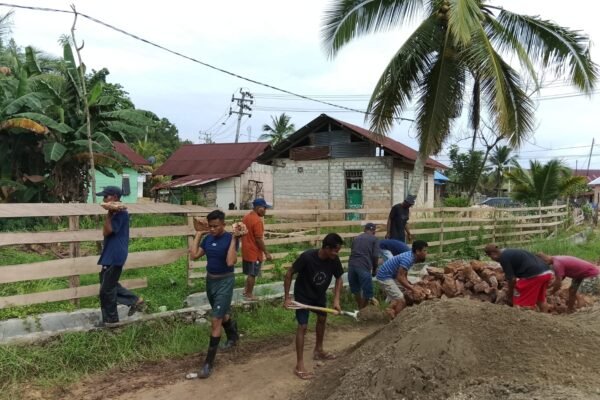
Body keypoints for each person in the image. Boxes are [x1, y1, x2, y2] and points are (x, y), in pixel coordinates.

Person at [283, 233, 344, 380]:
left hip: (319, 295)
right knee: (303, 326)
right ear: (326, 248)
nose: (336, 254)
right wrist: (287, 298)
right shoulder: (307, 257)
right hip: (303, 296)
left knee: (322, 319)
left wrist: (336, 300)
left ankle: (318, 350)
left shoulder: (334, 260)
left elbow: (339, 278)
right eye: (335, 250)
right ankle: (299, 365)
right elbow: (289, 273)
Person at [189, 210, 242, 379]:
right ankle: (233, 336)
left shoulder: (230, 239)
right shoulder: (208, 238)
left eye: (216, 226)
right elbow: (194, 255)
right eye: (210, 226)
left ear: (223, 225)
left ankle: (208, 364)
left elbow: (230, 261)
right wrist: (199, 234)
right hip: (210, 281)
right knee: (222, 314)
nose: (212, 229)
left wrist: (234, 239)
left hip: (225, 282)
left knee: (215, 320)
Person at [96, 186, 145, 327]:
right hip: (110, 255)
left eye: (106, 196)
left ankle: (111, 322)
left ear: (115, 197)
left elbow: (107, 231)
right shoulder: (116, 213)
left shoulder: (121, 214)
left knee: (107, 290)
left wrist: (108, 214)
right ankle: (135, 301)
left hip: (114, 255)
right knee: (107, 287)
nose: (104, 199)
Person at [484, 244, 552, 312]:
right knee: (540, 300)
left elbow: (512, 279)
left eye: (490, 257)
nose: (492, 259)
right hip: (546, 272)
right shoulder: (509, 252)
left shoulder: (504, 257)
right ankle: (545, 316)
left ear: (493, 254)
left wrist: (510, 294)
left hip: (533, 275)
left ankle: (522, 317)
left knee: (519, 303)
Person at [375, 240, 428, 319]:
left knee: (403, 291)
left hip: (391, 275)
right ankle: (396, 321)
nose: (426, 253)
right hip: (384, 277)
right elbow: (400, 277)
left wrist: (408, 284)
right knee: (401, 300)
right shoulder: (408, 259)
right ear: (417, 251)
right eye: (424, 250)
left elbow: (404, 273)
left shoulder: (412, 256)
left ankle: (389, 311)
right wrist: (413, 289)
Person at [241, 198, 273, 300]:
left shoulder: (246, 217)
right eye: (264, 208)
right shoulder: (257, 221)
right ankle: (249, 294)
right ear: (259, 208)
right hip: (253, 252)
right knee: (253, 274)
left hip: (246, 250)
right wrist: (266, 252)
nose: (265, 211)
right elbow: (258, 239)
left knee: (250, 273)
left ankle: (245, 291)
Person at [348, 223, 379, 309]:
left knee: (356, 290)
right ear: (374, 231)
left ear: (365, 230)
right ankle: (362, 311)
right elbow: (375, 256)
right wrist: (374, 269)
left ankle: (360, 308)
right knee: (367, 292)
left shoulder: (356, 238)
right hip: (363, 266)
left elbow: (352, 251)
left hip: (351, 266)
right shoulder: (374, 239)